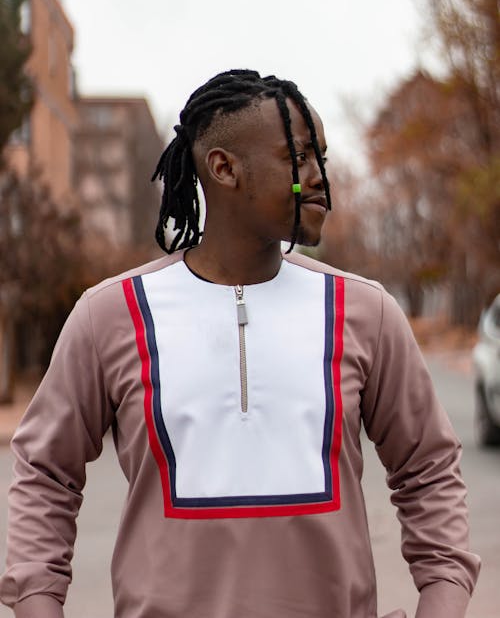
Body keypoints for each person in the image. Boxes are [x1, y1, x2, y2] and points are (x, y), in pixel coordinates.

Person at [0, 69, 480, 617]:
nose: (321, 176)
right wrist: (38, 604)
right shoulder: (110, 315)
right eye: (299, 157)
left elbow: (430, 470)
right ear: (224, 168)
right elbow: (45, 473)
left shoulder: (366, 313)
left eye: (321, 157)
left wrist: (441, 601)